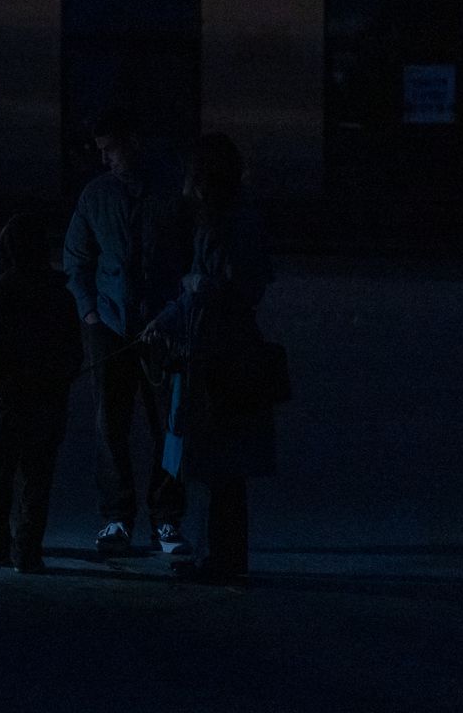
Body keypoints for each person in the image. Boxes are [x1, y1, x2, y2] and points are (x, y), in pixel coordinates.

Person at [144, 133, 277, 585]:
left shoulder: (235, 224)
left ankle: (223, 559)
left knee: (223, 461)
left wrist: (200, 288)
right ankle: (219, 555)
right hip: (214, 352)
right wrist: (165, 320)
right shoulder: (219, 222)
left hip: (227, 356)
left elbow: (243, 287)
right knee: (217, 462)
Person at [63, 107, 190, 557]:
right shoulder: (97, 196)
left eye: (110, 150)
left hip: (161, 325)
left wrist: (174, 312)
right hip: (112, 326)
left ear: (133, 141)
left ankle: (165, 518)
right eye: (100, 152)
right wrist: (92, 315)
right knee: (111, 424)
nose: (105, 160)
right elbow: (75, 259)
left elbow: (190, 259)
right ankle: (118, 517)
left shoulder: (171, 191)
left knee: (168, 426)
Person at [0, 212, 83, 574]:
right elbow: (72, 354)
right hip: (45, 404)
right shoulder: (59, 296)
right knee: (36, 480)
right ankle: (28, 551)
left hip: (3, 404)